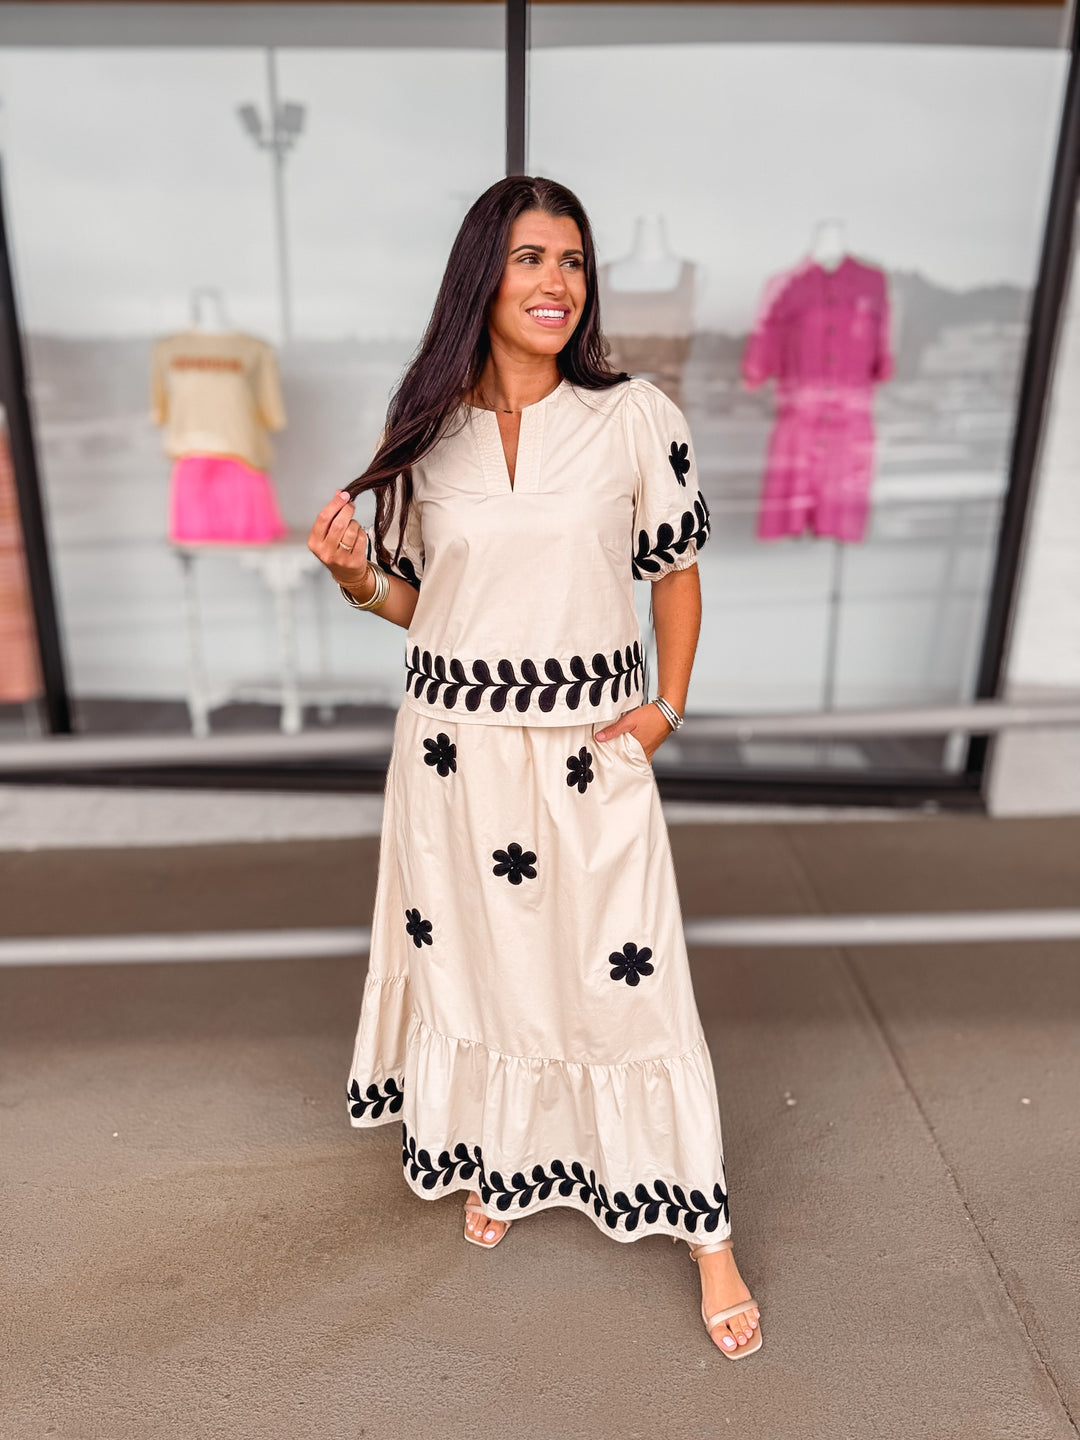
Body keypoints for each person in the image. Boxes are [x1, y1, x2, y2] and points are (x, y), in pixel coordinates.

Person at [307, 176, 762, 1358]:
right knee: (487, 972)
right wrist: (356, 580)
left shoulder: (636, 417)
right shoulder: (427, 433)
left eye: (571, 260)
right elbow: (428, 604)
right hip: (451, 755)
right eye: (529, 259)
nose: (557, 281)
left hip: (588, 749)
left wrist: (663, 713)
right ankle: (503, 1157)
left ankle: (705, 1232)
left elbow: (676, 576)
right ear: (482, 277)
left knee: (631, 983)